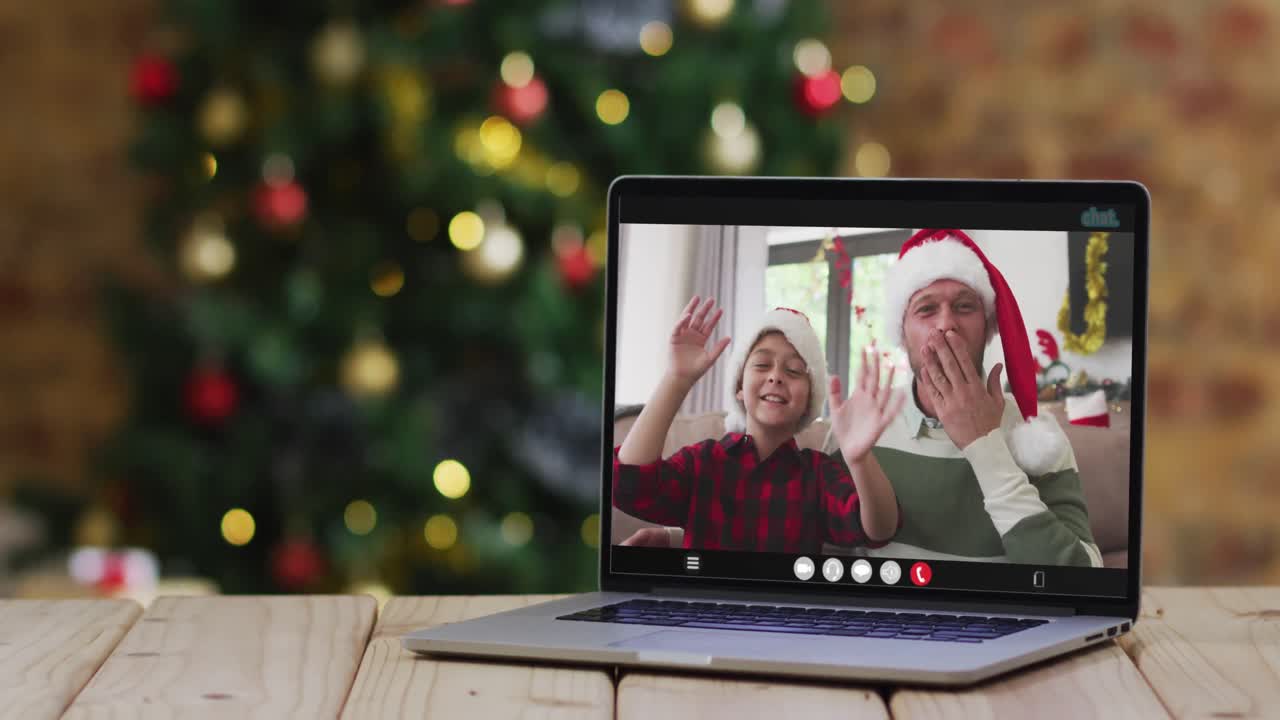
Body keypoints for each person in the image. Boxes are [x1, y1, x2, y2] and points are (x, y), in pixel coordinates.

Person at [858, 228, 1101, 567]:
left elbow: (1082, 576)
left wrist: (985, 446)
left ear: (987, 328)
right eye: (926, 309)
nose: (947, 324)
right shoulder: (859, 429)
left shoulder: (1038, 437)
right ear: (902, 333)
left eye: (964, 306)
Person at [612, 296, 905, 553]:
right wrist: (677, 378)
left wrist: (860, 459)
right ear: (740, 388)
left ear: (809, 400)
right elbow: (630, 485)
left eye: (794, 370)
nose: (776, 376)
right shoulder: (703, 461)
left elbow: (878, 530)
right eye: (762, 365)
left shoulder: (818, 473)